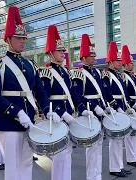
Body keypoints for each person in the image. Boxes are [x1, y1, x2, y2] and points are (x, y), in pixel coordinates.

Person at [0, 6, 52, 180]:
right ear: (8, 39)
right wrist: (17, 112)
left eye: (24, 38)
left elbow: (40, 90)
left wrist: (47, 109)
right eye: (18, 37)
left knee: (27, 163)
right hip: (8, 122)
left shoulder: (30, 64)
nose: (22, 41)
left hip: (29, 119)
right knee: (14, 167)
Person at [39, 25, 90, 180]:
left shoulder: (66, 72)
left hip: (69, 116)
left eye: (63, 51)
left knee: (67, 153)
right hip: (57, 118)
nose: (63, 53)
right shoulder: (47, 73)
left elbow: (73, 94)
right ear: (50, 52)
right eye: (59, 51)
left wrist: (82, 108)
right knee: (59, 156)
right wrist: (62, 113)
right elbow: (44, 98)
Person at [70, 34, 106, 180]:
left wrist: (105, 106)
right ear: (84, 57)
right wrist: (90, 107)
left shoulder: (97, 72)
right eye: (91, 55)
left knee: (99, 146)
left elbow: (101, 93)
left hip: (100, 111)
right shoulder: (79, 74)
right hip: (90, 112)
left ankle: (97, 175)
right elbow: (78, 95)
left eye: (94, 55)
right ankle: (92, 177)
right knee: (92, 148)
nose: (94, 58)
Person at [102, 41, 135, 177]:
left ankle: (119, 166)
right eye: (117, 61)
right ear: (111, 61)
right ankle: (114, 167)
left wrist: (129, 105)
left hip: (121, 107)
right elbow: (107, 93)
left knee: (120, 139)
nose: (120, 63)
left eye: (121, 61)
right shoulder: (106, 75)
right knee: (115, 140)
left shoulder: (118, 75)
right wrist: (115, 106)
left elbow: (124, 93)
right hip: (114, 109)